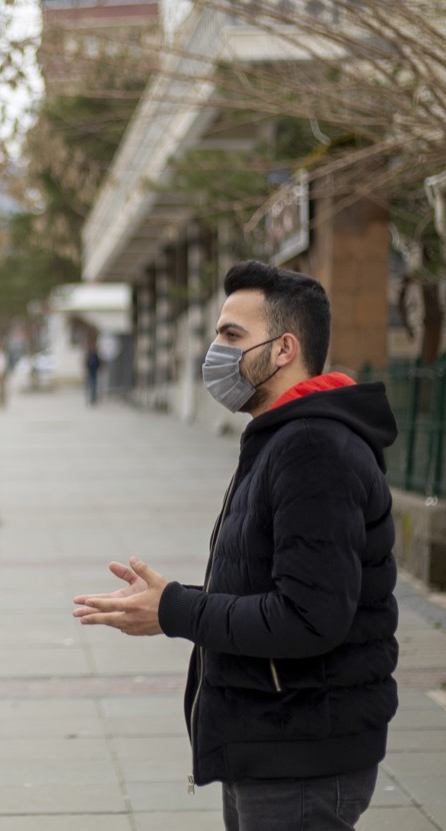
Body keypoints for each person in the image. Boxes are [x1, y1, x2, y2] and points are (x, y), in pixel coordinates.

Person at [73, 261, 398, 830]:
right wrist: (171, 602)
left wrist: (174, 608)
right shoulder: (284, 439)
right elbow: (279, 588)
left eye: (231, 336)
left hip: (301, 754)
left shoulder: (313, 448)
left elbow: (309, 618)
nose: (214, 353)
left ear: (283, 349)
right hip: (275, 740)